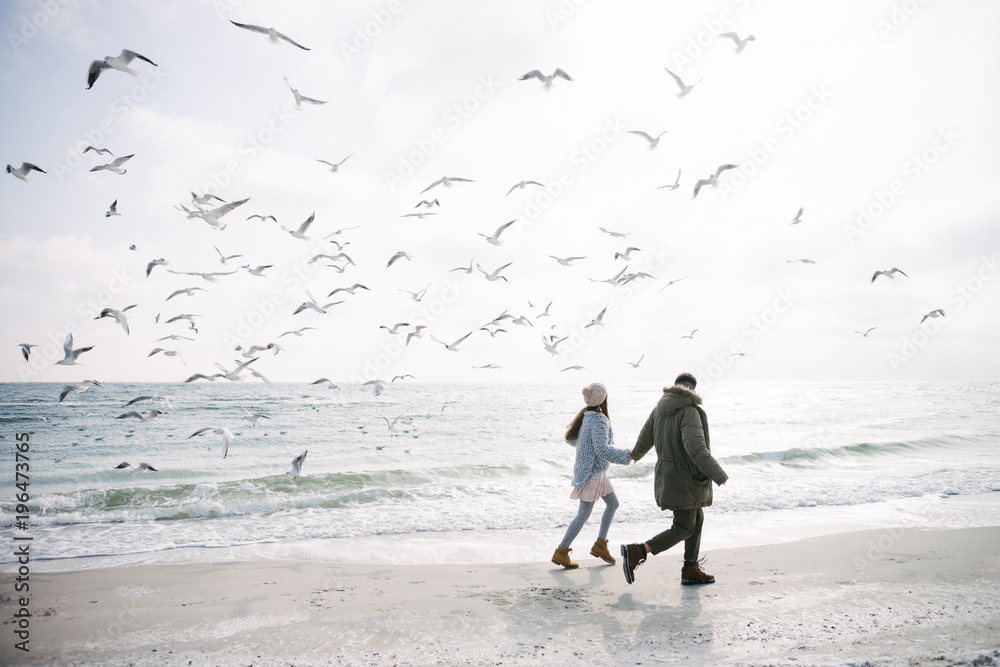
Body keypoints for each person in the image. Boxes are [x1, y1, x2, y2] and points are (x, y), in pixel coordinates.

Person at [620, 372, 728, 585]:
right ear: (692, 390)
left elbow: (645, 437)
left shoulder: (660, 409)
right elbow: (695, 448)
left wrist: (635, 454)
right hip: (685, 478)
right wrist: (718, 474)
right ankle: (638, 551)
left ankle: (691, 568)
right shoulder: (689, 411)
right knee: (684, 526)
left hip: (669, 475)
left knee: (697, 518)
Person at [552, 382, 633, 569]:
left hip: (597, 473)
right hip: (593, 473)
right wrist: (627, 455)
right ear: (603, 398)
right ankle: (562, 551)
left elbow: (571, 439)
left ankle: (600, 545)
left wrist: (585, 447)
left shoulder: (586, 415)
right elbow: (602, 449)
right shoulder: (598, 419)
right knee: (584, 513)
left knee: (613, 504)